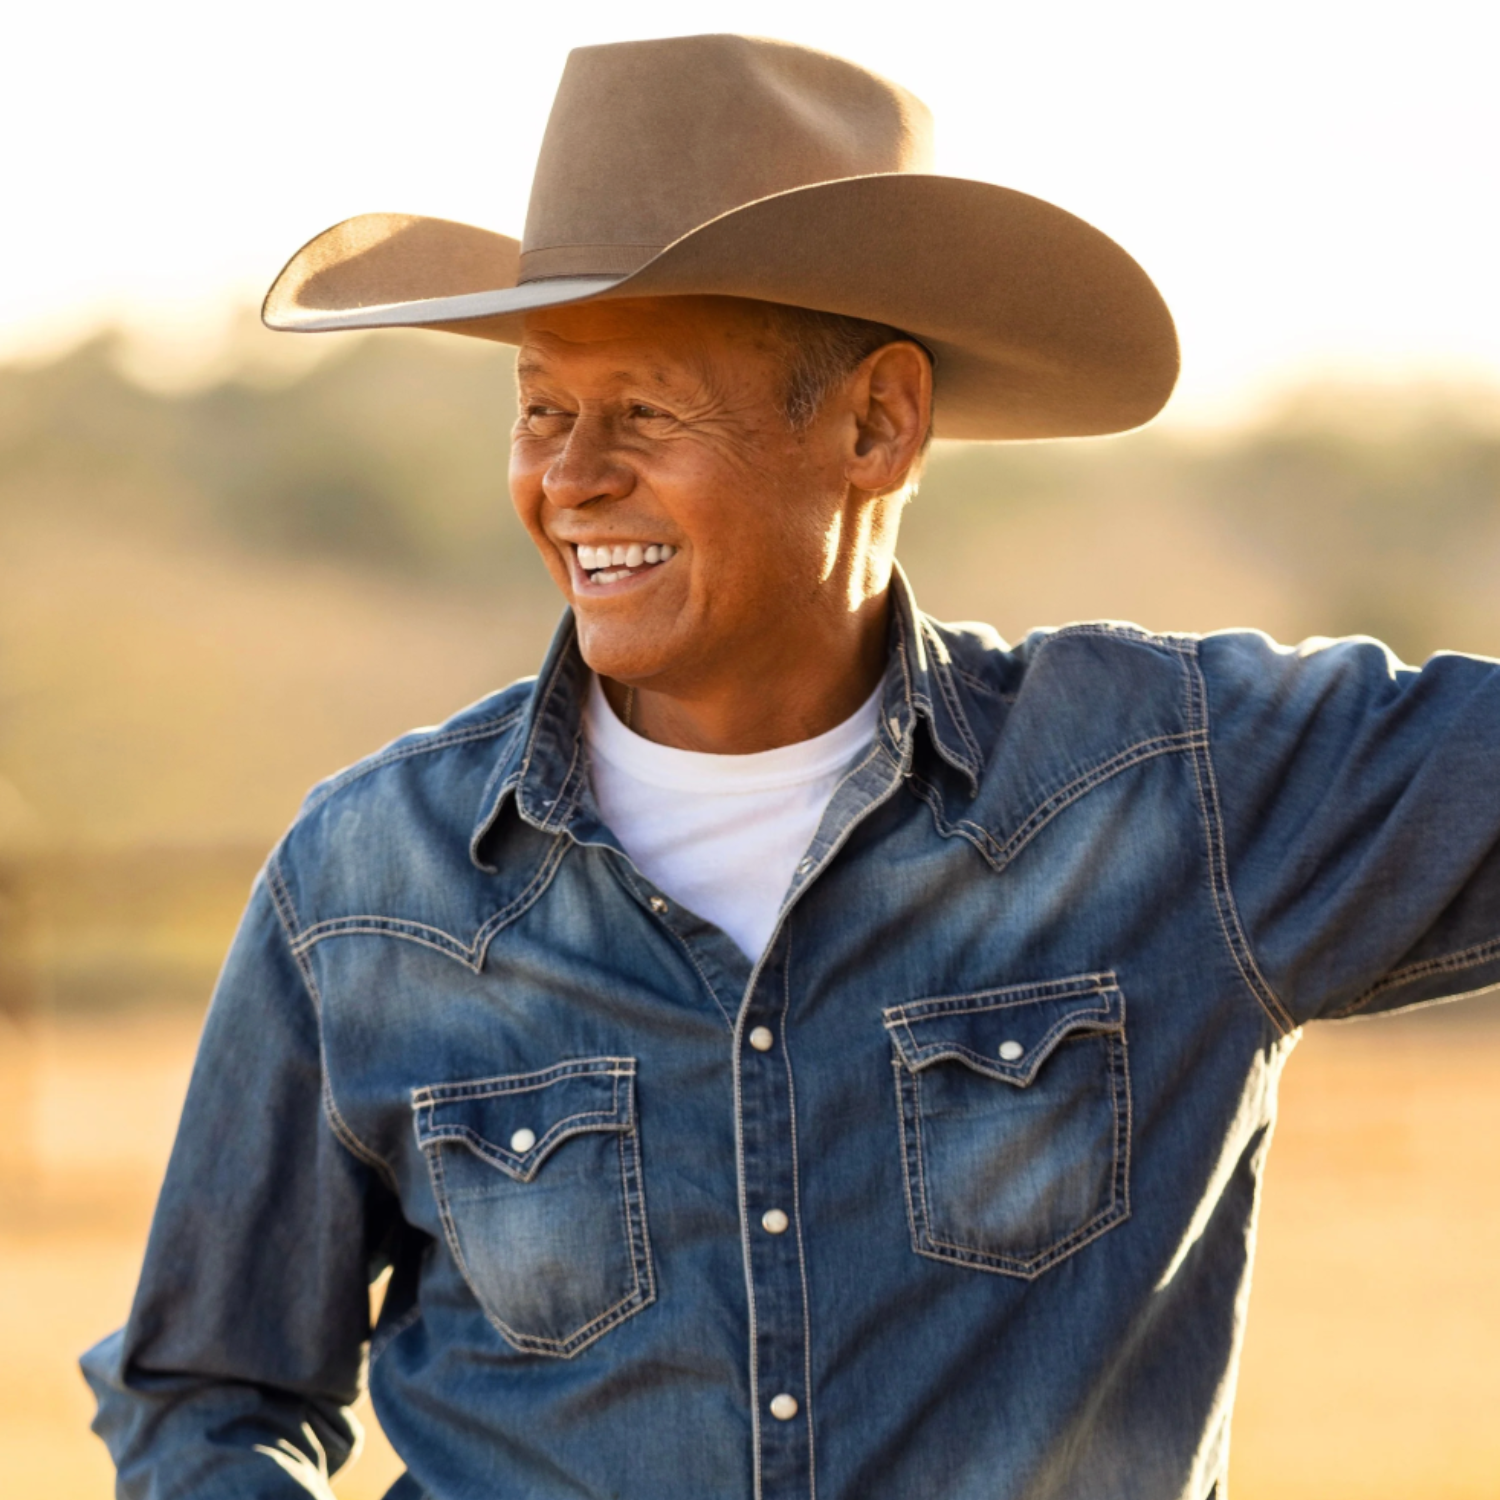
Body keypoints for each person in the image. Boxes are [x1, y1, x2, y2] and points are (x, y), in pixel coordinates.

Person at [83, 33, 1500, 1500]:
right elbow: (205, 1396)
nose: (570, 478)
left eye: (643, 413)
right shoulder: (370, 879)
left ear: (876, 424)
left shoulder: (1167, 788)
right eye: (542, 409)